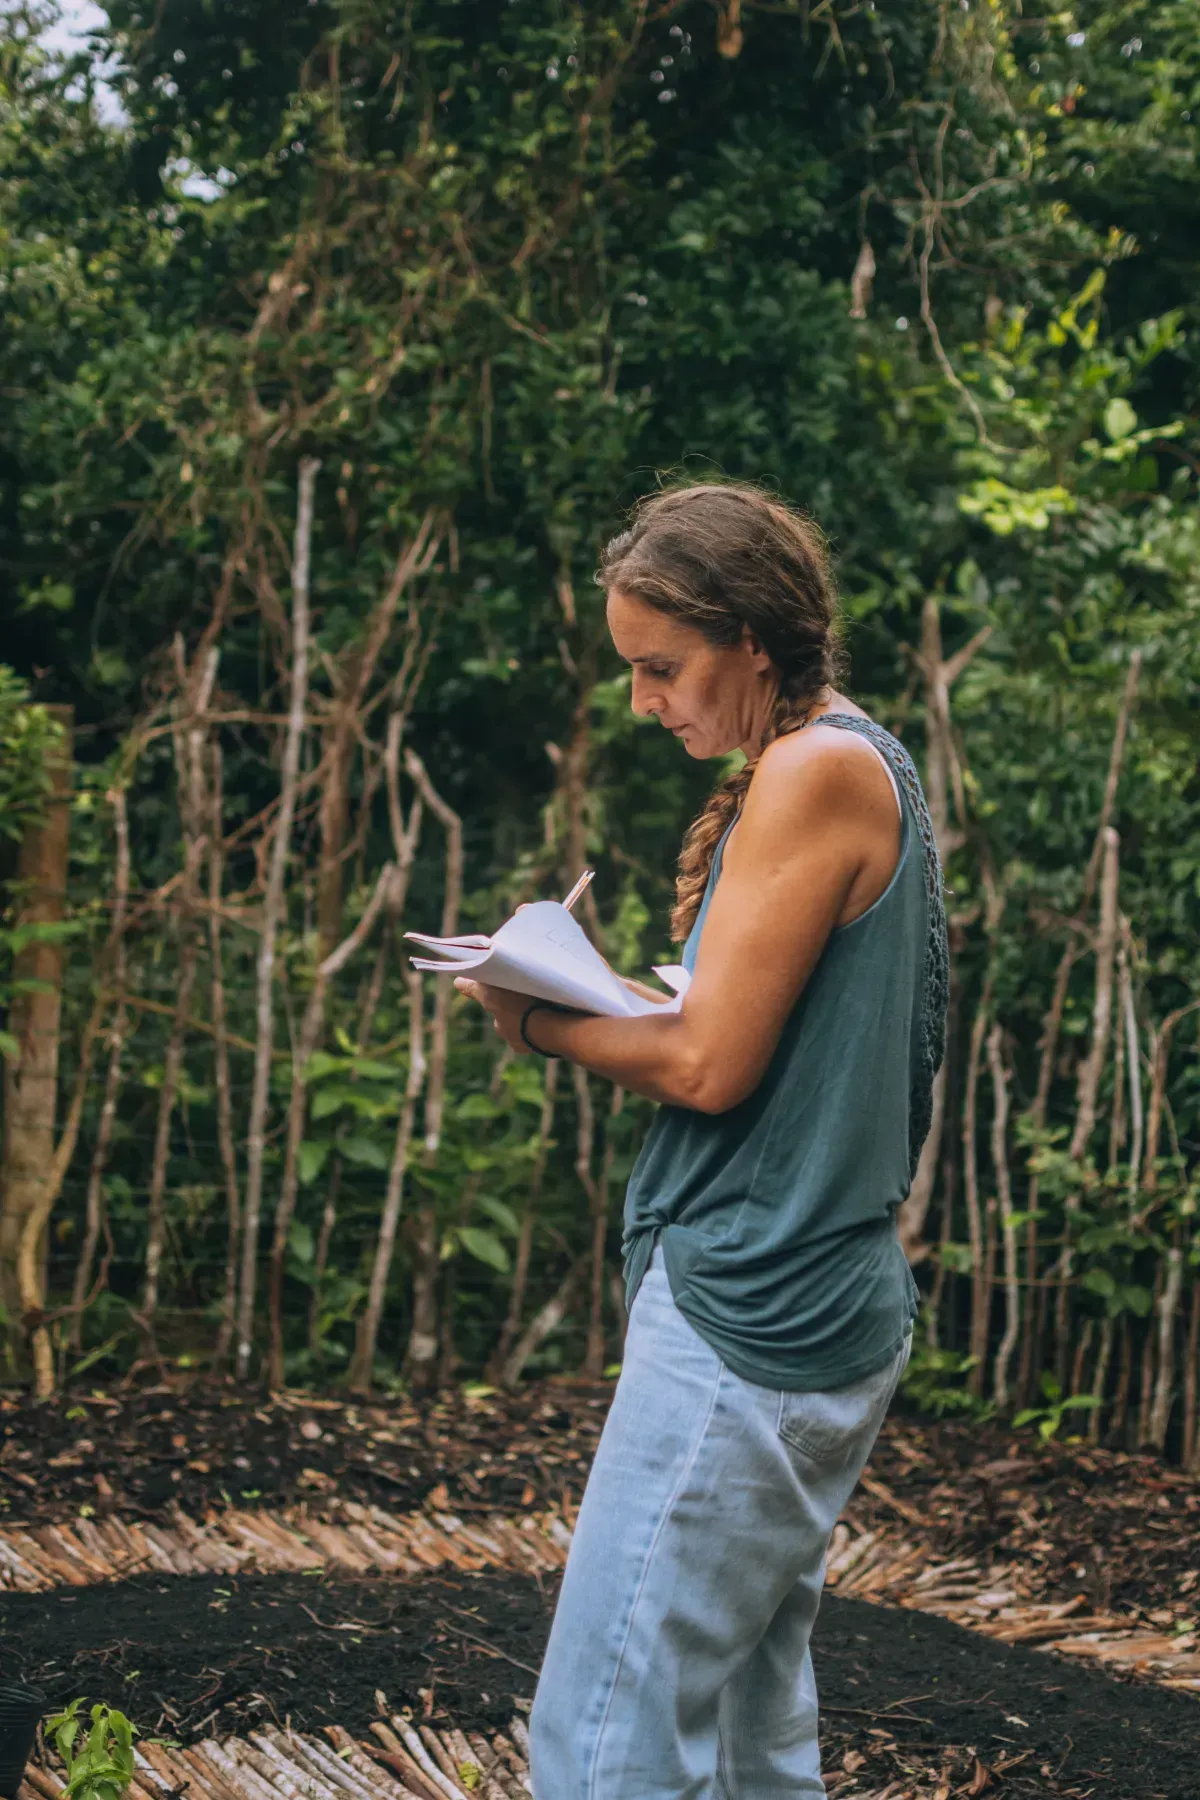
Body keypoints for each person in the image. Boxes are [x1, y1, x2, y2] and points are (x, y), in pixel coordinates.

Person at [454, 481, 948, 1799]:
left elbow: (710, 1065)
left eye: (661, 667)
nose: (644, 700)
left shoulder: (810, 773)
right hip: (810, 1307)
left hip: (754, 1316)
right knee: (744, 1728)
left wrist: (531, 1019)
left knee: (605, 1735)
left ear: (751, 638)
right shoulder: (859, 757)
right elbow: (757, 1023)